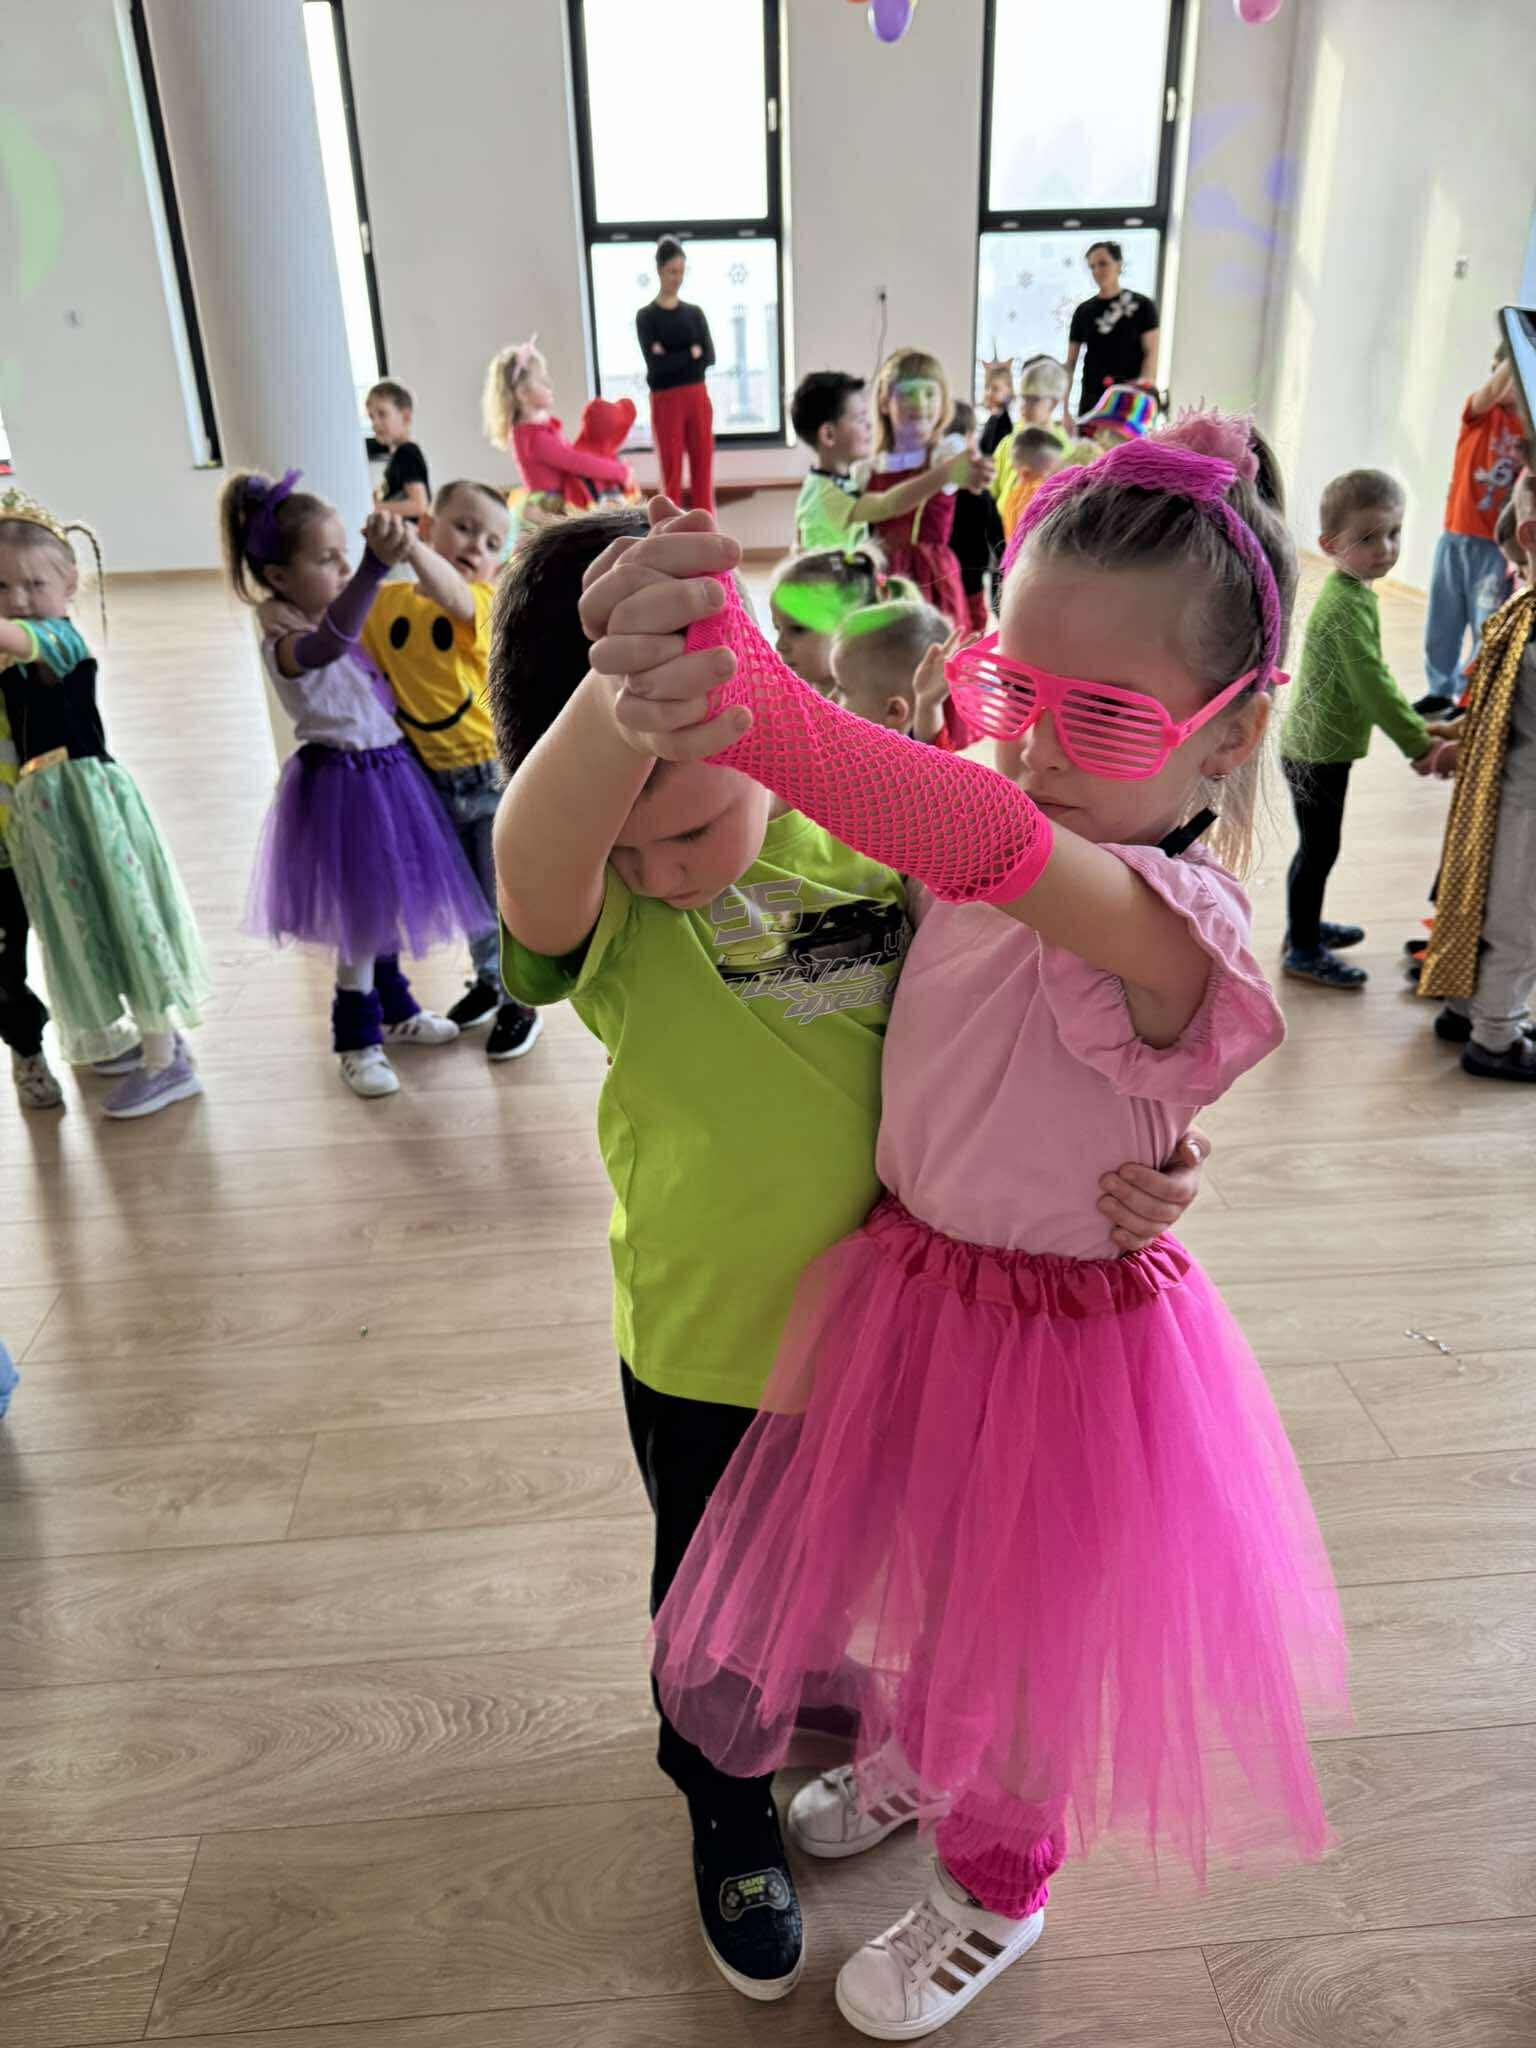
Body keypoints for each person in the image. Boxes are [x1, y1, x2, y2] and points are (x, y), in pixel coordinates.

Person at [587, 417, 1348, 2038]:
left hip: (1062, 1348)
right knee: (937, 1586)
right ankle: (930, 1756)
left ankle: (1001, 1883)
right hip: (919, 1289)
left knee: (1023, 1641)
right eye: (1015, 692)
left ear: (1230, 734)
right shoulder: (992, 853)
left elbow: (991, 846)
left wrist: (764, 698)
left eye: (1107, 713)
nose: (1042, 751)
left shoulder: (1175, 920)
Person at [489, 501, 1213, 2007]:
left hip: (898, 1330)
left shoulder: (882, 854)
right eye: (629, 843)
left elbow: (1028, 1019)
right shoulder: (616, 915)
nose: (663, 870)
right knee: (709, 1609)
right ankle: (723, 1803)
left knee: (866, 1573)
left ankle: (859, 1728)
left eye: (690, 824)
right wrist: (621, 702)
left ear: (758, 743)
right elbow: (538, 861)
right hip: (704, 1344)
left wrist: (1151, 1152)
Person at [223, 471, 487, 1099]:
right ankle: (356, 1039)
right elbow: (326, 645)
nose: (343, 569)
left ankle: (395, 1009)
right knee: (360, 925)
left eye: (345, 556)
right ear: (279, 575)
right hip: (346, 786)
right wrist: (372, 568)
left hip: (390, 773)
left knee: (382, 906)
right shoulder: (286, 639)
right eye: (326, 559)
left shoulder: (322, 614)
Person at [0, 491, 209, 1119]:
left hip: (85, 803)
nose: (18, 598)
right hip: (46, 814)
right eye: (2, 586)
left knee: (124, 917)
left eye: (34, 584)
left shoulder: (59, 638)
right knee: (86, 923)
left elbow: (15, 636)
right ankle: (140, 1041)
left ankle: (168, 1059)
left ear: (70, 585)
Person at [359, 480, 542, 1062]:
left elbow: (454, 600)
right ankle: (490, 980)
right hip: (427, 779)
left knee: (500, 899)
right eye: (463, 528)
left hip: (488, 776)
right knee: (468, 900)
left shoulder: (484, 599)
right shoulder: (386, 604)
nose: (475, 546)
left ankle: (521, 999)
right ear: (429, 525)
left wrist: (410, 550)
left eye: (490, 542)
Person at [1279, 469, 1444, 991]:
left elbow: (1375, 682)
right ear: (1330, 545)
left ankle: (1304, 927)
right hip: (1317, 752)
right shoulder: (1346, 606)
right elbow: (1371, 684)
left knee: (1318, 848)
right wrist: (1418, 743)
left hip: (1321, 746)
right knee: (1319, 850)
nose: (1386, 548)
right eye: (1368, 537)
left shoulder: (1352, 594)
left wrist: (1419, 725)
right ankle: (1303, 947)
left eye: (1394, 533)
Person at [1420, 466, 1536, 1079]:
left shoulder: (1517, 613)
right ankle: (1496, 1037)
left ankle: (1465, 1009)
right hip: (1527, 807)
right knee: (1522, 927)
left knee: (1483, 907)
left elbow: (1493, 711)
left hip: (1498, 799)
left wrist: (1454, 739)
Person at [1419, 344, 1525, 716]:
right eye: (1500, 373)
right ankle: (1439, 689)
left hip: (1496, 550)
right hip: (1456, 538)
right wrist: (1516, 352)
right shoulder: (1478, 413)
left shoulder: (1527, 427)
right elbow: (1492, 390)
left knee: (1485, 627)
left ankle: (1469, 696)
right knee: (1443, 622)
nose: (1503, 383)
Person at [860, 347, 990, 631]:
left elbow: (965, 467)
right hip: (884, 575)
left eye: (930, 393)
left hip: (932, 578)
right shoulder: (869, 468)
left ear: (943, 402)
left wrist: (971, 471)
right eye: (908, 393)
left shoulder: (944, 455)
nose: (920, 403)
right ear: (884, 402)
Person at [791, 370, 988, 556]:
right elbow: (888, 504)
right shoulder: (829, 495)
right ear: (828, 435)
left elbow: (799, 541)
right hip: (832, 581)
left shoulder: (821, 482)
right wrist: (945, 473)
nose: (869, 424)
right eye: (860, 419)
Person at [482, 339, 633, 525]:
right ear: (523, 394)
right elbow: (576, 462)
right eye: (542, 381)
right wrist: (619, 472)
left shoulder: (536, 431)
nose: (549, 384)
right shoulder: (535, 439)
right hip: (550, 505)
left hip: (557, 498)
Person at [0, 684, 57, 1109]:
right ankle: (26, 1048)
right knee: (4, 968)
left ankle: (99, 1029)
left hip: (32, 825)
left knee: (73, 936)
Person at [637, 237, 716, 512]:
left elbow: (709, 357)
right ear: (659, 270)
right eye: (672, 271)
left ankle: (706, 528)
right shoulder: (646, 317)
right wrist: (690, 353)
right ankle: (669, 528)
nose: (677, 278)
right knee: (671, 471)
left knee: (703, 469)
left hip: (698, 397)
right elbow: (657, 367)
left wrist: (670, 355)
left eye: (681, 271)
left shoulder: (695, 314)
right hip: (665, 400)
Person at [769, 545, 910, 696]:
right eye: (778, 628)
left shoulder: (867, 702)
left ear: (852, 630)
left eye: (797, 629)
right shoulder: (796, 690)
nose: (780, 645)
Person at [827, 599, 957, 742]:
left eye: (842, 690)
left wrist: (928, 706)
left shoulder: (906, 758)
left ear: (893, 711)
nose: (829, 699)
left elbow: (932, 752)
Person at [1064, 241, 1159, 430]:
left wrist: (1143, 394)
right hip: (1092, 398)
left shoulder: (1143, 306)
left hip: (1131, 399)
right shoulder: (1083, 311)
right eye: (1092, 267)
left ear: (1119, 264)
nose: (1097, 271)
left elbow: (1151, 353)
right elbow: (1070, 363)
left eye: (1103, 263)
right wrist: (1065, 410)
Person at [946, 400, 1003, 631]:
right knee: (972, 628)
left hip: (950, 577)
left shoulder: (928, 488)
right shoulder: (978, 491)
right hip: (970, 577)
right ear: (969, 438)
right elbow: (996, 535)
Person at [988, 355, 1068, 508]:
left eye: (1033, 399)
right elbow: (991, 491)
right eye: (1023, 398)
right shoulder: (1008, 443)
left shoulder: (1062, 451)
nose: (1024, 406)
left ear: (1053, 403)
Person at [367, 380, 431, 525]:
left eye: (382, 414)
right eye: (371, 417)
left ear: (405, 417)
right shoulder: (399, 455)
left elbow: (419, 505)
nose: (375, 423)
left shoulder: (407, 452)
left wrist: (372, 507)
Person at [998, 426, 1066, 541]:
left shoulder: (1011, 499)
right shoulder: (1038, 498)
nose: (1062, 477)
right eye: (1053, 474)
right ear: (1026, 473)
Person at [978, 357, 1015, 457]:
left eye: (995, 389)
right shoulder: (993, 418)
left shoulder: (1005, 423)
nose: (989, 393)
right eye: (987, 387)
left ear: (1008, 391)